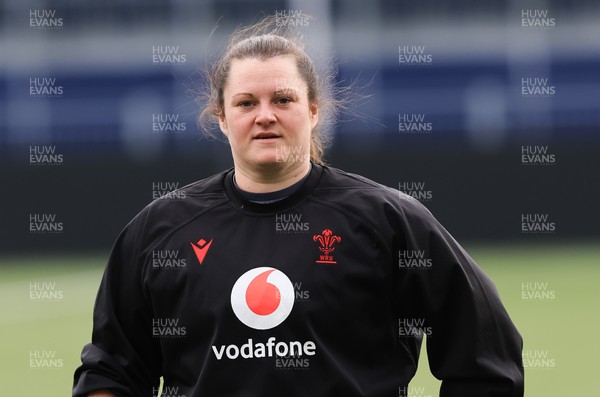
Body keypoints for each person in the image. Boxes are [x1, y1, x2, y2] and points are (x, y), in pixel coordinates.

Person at [73, 15, 524, 397]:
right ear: (221, 118)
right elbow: (110, 372)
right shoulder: (159, 231)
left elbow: (486, 355)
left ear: (313, 110)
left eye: (283, 99)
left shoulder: (388, 221)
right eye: (246, 102)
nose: (264, 115)